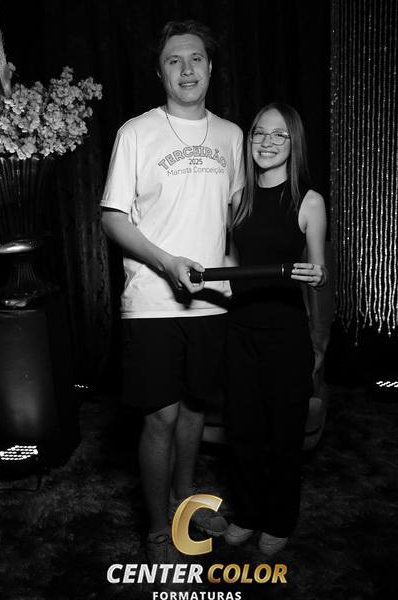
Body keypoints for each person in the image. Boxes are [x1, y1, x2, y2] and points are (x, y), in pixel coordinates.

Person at [100, 20, 244, 569]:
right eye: (174, 60)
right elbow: (113, 217)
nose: (187, 70)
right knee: (160, 417)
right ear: (159, 73)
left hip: (213, 303)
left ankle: (185, 502)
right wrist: (165, 263)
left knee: (194, 409)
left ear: (211, 68)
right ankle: (158, 527)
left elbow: (237, 218)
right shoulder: (137, 133)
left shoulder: (231, 136)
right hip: (152, 302)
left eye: (196, 59)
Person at [223, 102, 327, 556]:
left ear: (293, 142)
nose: (267, 142)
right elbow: (231, 263)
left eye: (278, 134)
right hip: (240, 332)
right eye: (259, 133)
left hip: (286, 335)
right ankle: (247, 513)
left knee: (284, 435)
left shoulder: (309, 201)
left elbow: (318, 268)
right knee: (243, 432)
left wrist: (317, 274)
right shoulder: (237, 198)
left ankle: (280, 519)